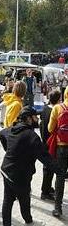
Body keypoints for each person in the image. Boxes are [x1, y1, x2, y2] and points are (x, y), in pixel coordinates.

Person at [0, 107, 62, 226]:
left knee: (8, 199)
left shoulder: (12, 129)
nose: (37, 119)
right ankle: (29, 221)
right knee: (24, 199)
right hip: (20, 175)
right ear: (28, 118)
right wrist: (60, 171)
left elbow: (2, 133)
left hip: (6, 170)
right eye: (35, 117)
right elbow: (45, 158)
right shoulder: (32, 136)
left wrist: (8, 149)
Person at [48, 86, 68, 217]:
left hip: (62, 146)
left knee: (60, 176)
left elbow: (50, 128)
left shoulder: (57, 108)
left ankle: (57, 208)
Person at [39, 90, 61, 201]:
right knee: (50, 168)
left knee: (47, 167)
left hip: (44, 141)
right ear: (58, 100)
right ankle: (45, 192)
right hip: (52, 142)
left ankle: (46, 188)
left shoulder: (44, 109)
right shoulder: (56, 111)